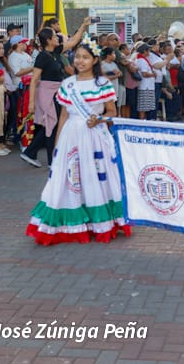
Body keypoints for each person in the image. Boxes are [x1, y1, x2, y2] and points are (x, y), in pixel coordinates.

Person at [26, 35, 130, 245]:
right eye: (77, 57)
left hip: (94, 136)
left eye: (85, 57)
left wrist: (99, 119)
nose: (80, 61)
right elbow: (64, 115)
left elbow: (112, 113)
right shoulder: (68, 84)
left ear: (94, 60)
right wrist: (56, 145)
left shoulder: (102, 84)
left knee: (94, 177)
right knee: (70, 177)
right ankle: (71, 220)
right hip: (71, 136)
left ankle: (98, 221)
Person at [20, 18, 90, 168]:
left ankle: (31, 152)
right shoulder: (42, 56)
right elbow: (34, 79)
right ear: (48, 40)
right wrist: (31, 102)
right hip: (47, 94)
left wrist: (83, 25)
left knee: (51, 125)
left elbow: (73, 41)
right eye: (53, 36)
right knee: (53, 124)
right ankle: (52, 160)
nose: (57, 37)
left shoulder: (56, 52)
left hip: (57, 93)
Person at [134, 43, 157, 120]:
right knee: (143, 106)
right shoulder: (141, 60)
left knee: (147, 106)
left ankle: (144, 120)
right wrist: (153, 75)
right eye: (148, 50)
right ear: (145, 51)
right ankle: (141, 121)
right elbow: (144, 73)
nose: (149, 52)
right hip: (145, 86)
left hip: (148, 86)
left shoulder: (143, 59)